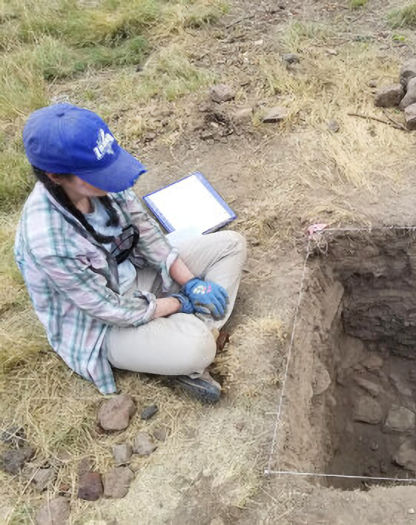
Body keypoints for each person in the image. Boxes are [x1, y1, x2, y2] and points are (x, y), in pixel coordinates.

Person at [14, 103, 246, 403]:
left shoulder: (105, 180)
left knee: (230, 245)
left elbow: (147, 233)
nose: (108, 178)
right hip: (103, 323)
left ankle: (184, 340)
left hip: (136, 274)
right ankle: (191, 346)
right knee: (197, 347)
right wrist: (175, 303)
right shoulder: (48, 240)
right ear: (56, 176)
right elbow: (111, 310)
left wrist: (190, 283)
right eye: (95, 174)